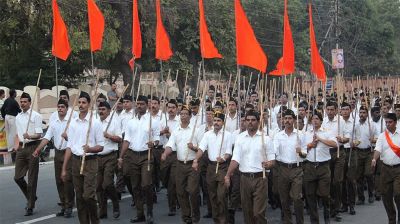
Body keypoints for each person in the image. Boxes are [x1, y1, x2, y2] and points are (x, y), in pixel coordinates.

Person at [224, 110, 275, 224]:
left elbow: (273, 160)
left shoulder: (265, 139)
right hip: (245, 178)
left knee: (258, 213)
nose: (250, 122)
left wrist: (268, 164)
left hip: (260, 178)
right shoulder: (240, 138)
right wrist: (227, 175)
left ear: (258, 122)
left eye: (253, 120)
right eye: (248, 120)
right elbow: (235, 159)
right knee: (247, 213)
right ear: (245, 122)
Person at [61, 91, 104, 224]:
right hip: (76, 161)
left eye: (84, 102)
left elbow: (101, 146)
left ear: (89, 104)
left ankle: (95, 221)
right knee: (79, 197)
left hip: (90, 161)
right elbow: (70, 146)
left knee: (88, 196)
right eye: (79, 102)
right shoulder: (73, 123)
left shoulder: (95, 122)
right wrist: (64, 168)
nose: (81, 105)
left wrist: (90, 149)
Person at [118, 95, 160, 224]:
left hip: (146, 156)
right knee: (135, 186)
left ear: (147, 105)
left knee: (146, 185)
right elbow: (127, 140)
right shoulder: (131, 121)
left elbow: (157, 138)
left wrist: (153, 143)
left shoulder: (153, 121)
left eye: (142, 104)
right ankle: (140, 214)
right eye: (138, 104)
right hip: (132, 156)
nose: (139, 106)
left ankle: (150, 212)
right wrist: (121, 156)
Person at [32, 99, 74, 218]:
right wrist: (37, 150)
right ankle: (64, 206)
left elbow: (75, 140)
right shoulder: (54, 122)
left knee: (67, 180)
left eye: (62, 107)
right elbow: (46, 138)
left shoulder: (72, 122)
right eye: (59, 107)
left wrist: (67, 137)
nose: (60, 108)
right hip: (58, 152)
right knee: (59, 180)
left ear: (67, 109)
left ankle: (69, 206)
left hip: (68, 152)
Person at [162, 106, 201, 224]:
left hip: (192, 165)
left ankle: (195, 213)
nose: (183, 116)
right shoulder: (176, 131)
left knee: (193, 191)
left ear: (190, 116)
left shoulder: (196, 130)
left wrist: (193, 147)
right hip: (179, 165)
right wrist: (164, 153)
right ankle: (186, 216)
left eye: (185, 114)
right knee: (180, 192)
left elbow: (202, 148)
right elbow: (170, 145)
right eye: (182, 114)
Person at [194, 111, 233, 223]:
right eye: (215, 120)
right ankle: (216, 219)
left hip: (222, 167)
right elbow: (201, 149)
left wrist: (223, 158)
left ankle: (224, 219)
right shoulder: (207, 134)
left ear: (223, 122)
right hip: (211, 167)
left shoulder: (228, 135)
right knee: (212, 196)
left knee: (221, 195)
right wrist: (196, 160)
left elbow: (229, 152)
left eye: (218, 121)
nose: (216, 123)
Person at [303, 110, 337, 224]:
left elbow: (334, 144)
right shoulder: (306, 133)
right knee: (310, 195)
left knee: (324, 194)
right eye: (313, 119)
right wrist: (310, 145)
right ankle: (314, 220)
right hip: (310, 166)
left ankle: (326, 215)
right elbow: (302, 151)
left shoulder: (327, 132)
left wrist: (320, 139)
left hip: (323, 166)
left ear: (321, 121)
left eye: (317, 119)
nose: (315, 121)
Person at [274, 109, 306, 224]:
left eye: (289, 118)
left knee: (297, 198)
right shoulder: (278, 136)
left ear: (294, 120)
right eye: (285, 118)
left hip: (296, 169)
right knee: (284, 200)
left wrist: (301, 151)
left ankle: (299, 221)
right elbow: (274, 151)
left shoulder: (300, 134)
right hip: (282, 169)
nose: (287, 121)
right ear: (283, 120)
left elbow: (305, 154)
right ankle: (288, 221)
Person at [14, 92, 43, 216]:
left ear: (30, 103)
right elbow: (18, 134)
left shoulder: (36, 116)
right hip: (22, 148)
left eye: (25, 101)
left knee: (31, 179)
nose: (22, 103)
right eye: (21, 101)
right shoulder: (18, 116)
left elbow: (39, 134)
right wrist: (17, 146)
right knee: (18, 177)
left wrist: (30, 135)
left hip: (33, 147)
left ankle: (30, 205)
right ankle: (32, 197)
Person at [371, 113, 400, 224]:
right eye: (386, 122)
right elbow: (378, 149)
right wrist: (374, 159)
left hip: (398, 169)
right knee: (386, 196)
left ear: (395, 122)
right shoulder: (383, 136)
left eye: (390, 122)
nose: (387, 124)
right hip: (386, 169)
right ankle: (391, 219)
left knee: (398, 194)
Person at [97, 101, 121, 219]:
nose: (101, 111)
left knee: (107, 183)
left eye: (103, 109)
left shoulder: (114, 122)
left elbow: (119, 139)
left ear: (109, 111)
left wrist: (110, 136)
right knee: (98, 186)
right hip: (97, 156)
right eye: (99, 109)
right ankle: (103, 210)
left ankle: (115, 203)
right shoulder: (95, 122)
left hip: (110, 156)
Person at [159, 99, 180, 216]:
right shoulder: (163, 120)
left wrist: (170, 134)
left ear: (176, 109)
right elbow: (156, 135)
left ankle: (172, 207)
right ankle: (175, 194)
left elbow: (179, 138)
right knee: (164, 178)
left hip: (176, 153)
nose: (171, 109)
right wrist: (162, 132)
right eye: (169, 107)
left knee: (172, 180)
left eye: (173, 107)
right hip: (164, 153)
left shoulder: (179, 122)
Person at [356, 106, 378, 205]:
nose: (362, 114)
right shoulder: (355, 125)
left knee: (369, 174)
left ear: (367, 114)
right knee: (359, 176)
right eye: (360, 112)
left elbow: (378, 138)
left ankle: (371, 194)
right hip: (358, 152)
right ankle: (361, 198)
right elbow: (353, 138)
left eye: (364, 112)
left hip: (369, 152)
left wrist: (373, 140)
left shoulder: (372, 125)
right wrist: (353, 143)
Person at [1, 89, 21, 153]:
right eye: (16, 93)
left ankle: (9, 148)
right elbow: (19, 110)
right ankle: (12, 149)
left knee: (8, 133)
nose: (16, 94)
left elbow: (2, 109)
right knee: (12, 134)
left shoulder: (6, 100)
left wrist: (4, 116)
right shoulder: (14, 102)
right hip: (12, 118)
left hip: (6, 117)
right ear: (14, 94)